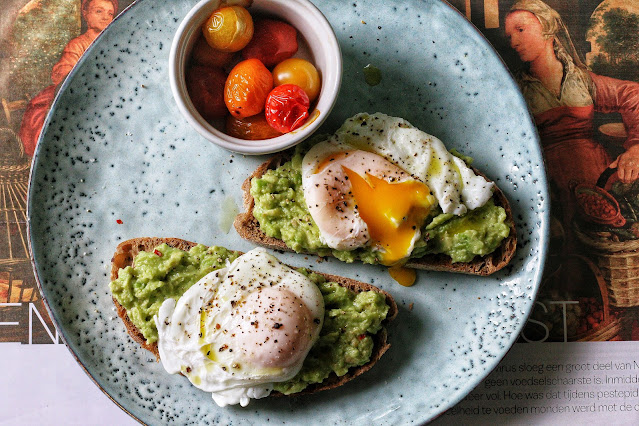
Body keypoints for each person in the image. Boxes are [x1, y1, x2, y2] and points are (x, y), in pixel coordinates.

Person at [504, 0, 639, 251]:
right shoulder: (515, 89)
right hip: (549, 183)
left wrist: (635, 148)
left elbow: (633, 94)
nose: (513, 42)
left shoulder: (582, 80)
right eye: (509, 35)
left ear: (546, 27)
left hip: (598, 177)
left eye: (520, 30)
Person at [18, 0, 116, 157]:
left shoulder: (113, 45)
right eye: (99, 11)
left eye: (110, 13)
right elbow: (65, 72)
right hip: (76, 93)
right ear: (85, 14)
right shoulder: (77, 45)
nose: (106, 17)